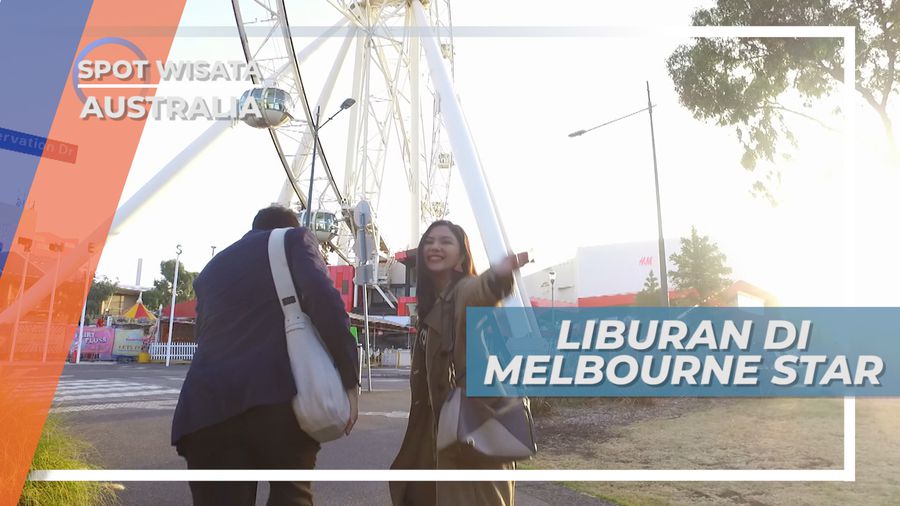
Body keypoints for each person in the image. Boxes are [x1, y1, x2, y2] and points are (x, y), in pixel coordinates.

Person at [171, 205, 360, 506]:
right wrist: (350, 381)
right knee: (291, 495)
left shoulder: (211, 269)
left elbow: (203, 335)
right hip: (277, 401)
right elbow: (326, 304)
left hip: (205, 409)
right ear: (290, 226)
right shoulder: (295, 239)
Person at [390, 220, 527, 506]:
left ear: (462, 256)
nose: (435, 247)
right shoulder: (434, 304)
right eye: (429, 241)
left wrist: (499, 276)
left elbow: (482, 291)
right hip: (442, 429)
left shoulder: (464, 291)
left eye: (445, 241)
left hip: (471, 426)